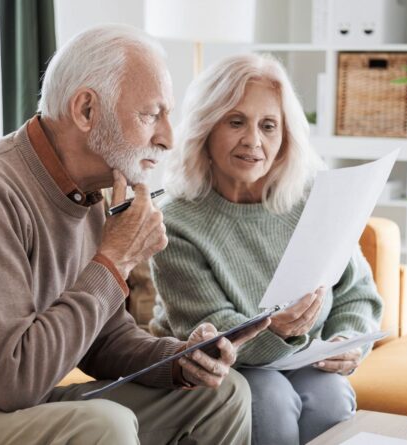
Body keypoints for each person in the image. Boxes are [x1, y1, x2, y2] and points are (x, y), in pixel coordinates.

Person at [0, 25, 269, 445]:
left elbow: (104, 339)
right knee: (103, 426)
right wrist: (115, 260)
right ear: (85, 110)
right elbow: (14, 380)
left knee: (223, 395)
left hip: (1, 412)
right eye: (151, 114)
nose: (168, 138)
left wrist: (178, 362)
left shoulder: (94, 194)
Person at [149, 53, 384, 445]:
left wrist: (347, 341)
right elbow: (211, 331)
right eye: (236, 121)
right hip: (220, 369)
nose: (253, 141)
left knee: (331, 397)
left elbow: (356, 293)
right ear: (206, 129)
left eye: (269, 125)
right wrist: (275, 331)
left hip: (305, 359)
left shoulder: (313, 199)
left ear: (285, 136)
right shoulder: (175, 220)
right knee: (269, 399)